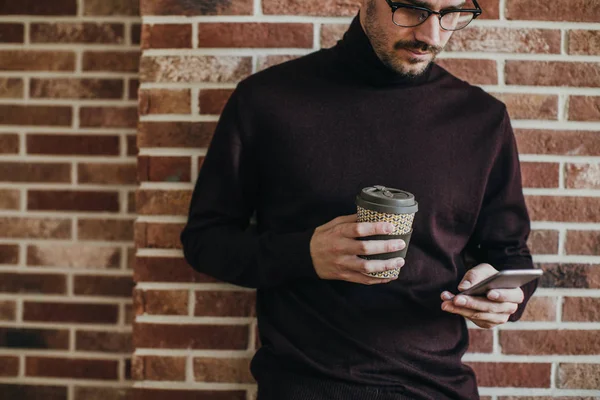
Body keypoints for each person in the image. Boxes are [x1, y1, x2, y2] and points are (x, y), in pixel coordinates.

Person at [180, 0, 539, 398]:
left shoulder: (481, 118)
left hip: (438, 388)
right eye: (413, 7)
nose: (431, 35)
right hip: (305, 386)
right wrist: (304, 254)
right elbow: (205, 241)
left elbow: (510, 255)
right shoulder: (266, 100)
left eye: (451, 13)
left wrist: (504, 299)